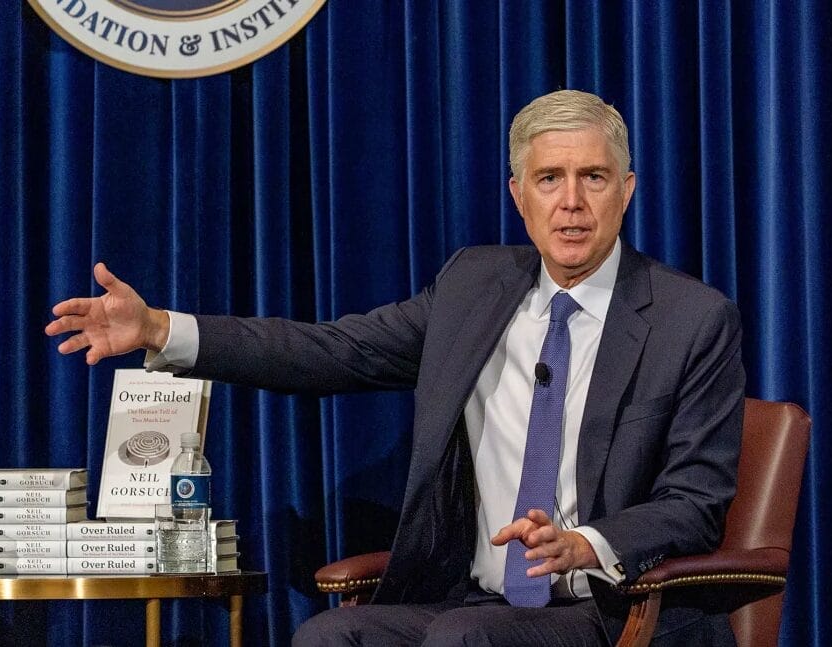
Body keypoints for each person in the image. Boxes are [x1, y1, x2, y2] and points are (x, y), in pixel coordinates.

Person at [46, 90, 744, 646]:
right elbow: (330, 350)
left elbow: (696, 503)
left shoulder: (690, 318)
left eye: (592, 177)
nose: (571, 201)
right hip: (469, 599)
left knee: (463, 637)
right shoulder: (473, 286)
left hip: (608, 610)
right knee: (333, 633)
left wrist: (582, 543)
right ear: (517, 194)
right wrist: (162, 327)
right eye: (548, 178)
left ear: (624, 190)